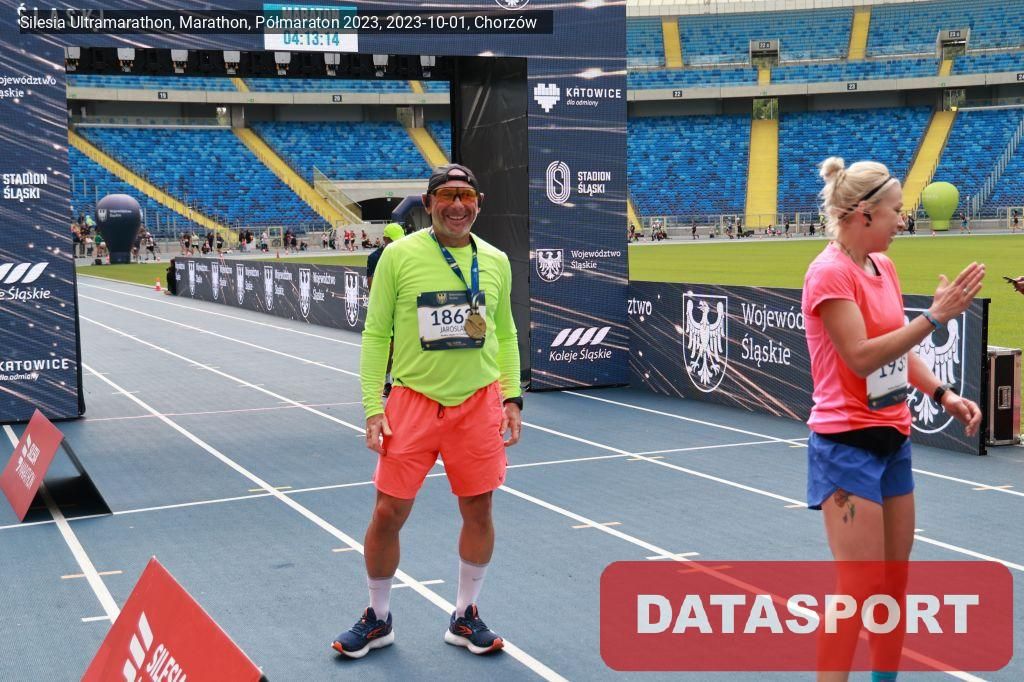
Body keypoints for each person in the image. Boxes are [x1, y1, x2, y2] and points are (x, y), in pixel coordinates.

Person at [802, 157, 984, 681]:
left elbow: (895, 350)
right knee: (857, 589)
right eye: (896, 211)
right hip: (846, 445)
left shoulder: (883, 267)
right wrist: (935, 316)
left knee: (892, 586)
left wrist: (942, 393)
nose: (903, 221)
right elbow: (861, 357)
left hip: (893, 440)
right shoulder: (829, 273)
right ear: (864, 213)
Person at [335, 164, 521, 659]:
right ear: (428, 202)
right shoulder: (397, 256)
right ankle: (377, 617)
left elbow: (505, 333)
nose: (457, 205)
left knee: (479, 510)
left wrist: (511, 397)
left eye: (466, 196)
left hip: (477, 403)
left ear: (478, 202)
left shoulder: (497, 260)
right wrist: (372, 406)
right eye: (446, 195)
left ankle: (465, 615)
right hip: (413, 401)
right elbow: (377, 333)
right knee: (387, 512)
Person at [366, 222, 406, 397]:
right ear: (385, 239)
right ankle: (386, 381)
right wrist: (381, 302)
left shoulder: (406, 253)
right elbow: (371, 283)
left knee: (404, 345)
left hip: (403, 307)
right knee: (388, 347)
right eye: (393, 240)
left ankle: (401, 380)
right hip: (385, 308)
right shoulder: (375, 257)